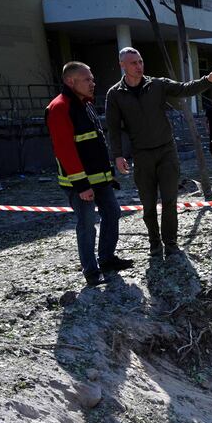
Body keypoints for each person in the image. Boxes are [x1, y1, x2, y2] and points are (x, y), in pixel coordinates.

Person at [105, 47, 212, 257]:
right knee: (148, 204)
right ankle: (154, 243)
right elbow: (113, 127)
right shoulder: (115, 94)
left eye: (140, 61)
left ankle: (170, 242)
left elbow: (184, 88)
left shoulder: (157, 84)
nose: (139, 66)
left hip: (166, 151)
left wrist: (208, 79)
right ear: (122, 65)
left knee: (170, 200)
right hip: (141, 154)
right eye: (133, 63)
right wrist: (117, 155)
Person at [46, 62, 133, 286]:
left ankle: (107, 259)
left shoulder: (85, 103)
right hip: (80, 184)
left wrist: (108, 175)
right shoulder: (60, 107)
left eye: (92, 79)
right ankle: (91, 272)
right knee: (86, 225)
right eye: (87, 79)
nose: (92, 83)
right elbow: (65, 150)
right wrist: (82, 185)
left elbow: (95, 145)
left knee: (112, 213)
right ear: (70, 81)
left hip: (100, 179)